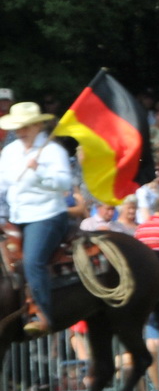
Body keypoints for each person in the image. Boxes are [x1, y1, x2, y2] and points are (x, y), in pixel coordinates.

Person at [0, 102, 74, 335]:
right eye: (18, 127)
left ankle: (40, 313)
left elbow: (66, 184)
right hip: (15, 214)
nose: (20, 132)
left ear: (37, 126)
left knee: (33, 261)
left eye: (25, 127)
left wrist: (39, 173)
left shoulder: (53, 151)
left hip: (47, 215)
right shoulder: (10, 152)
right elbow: (1, 185)